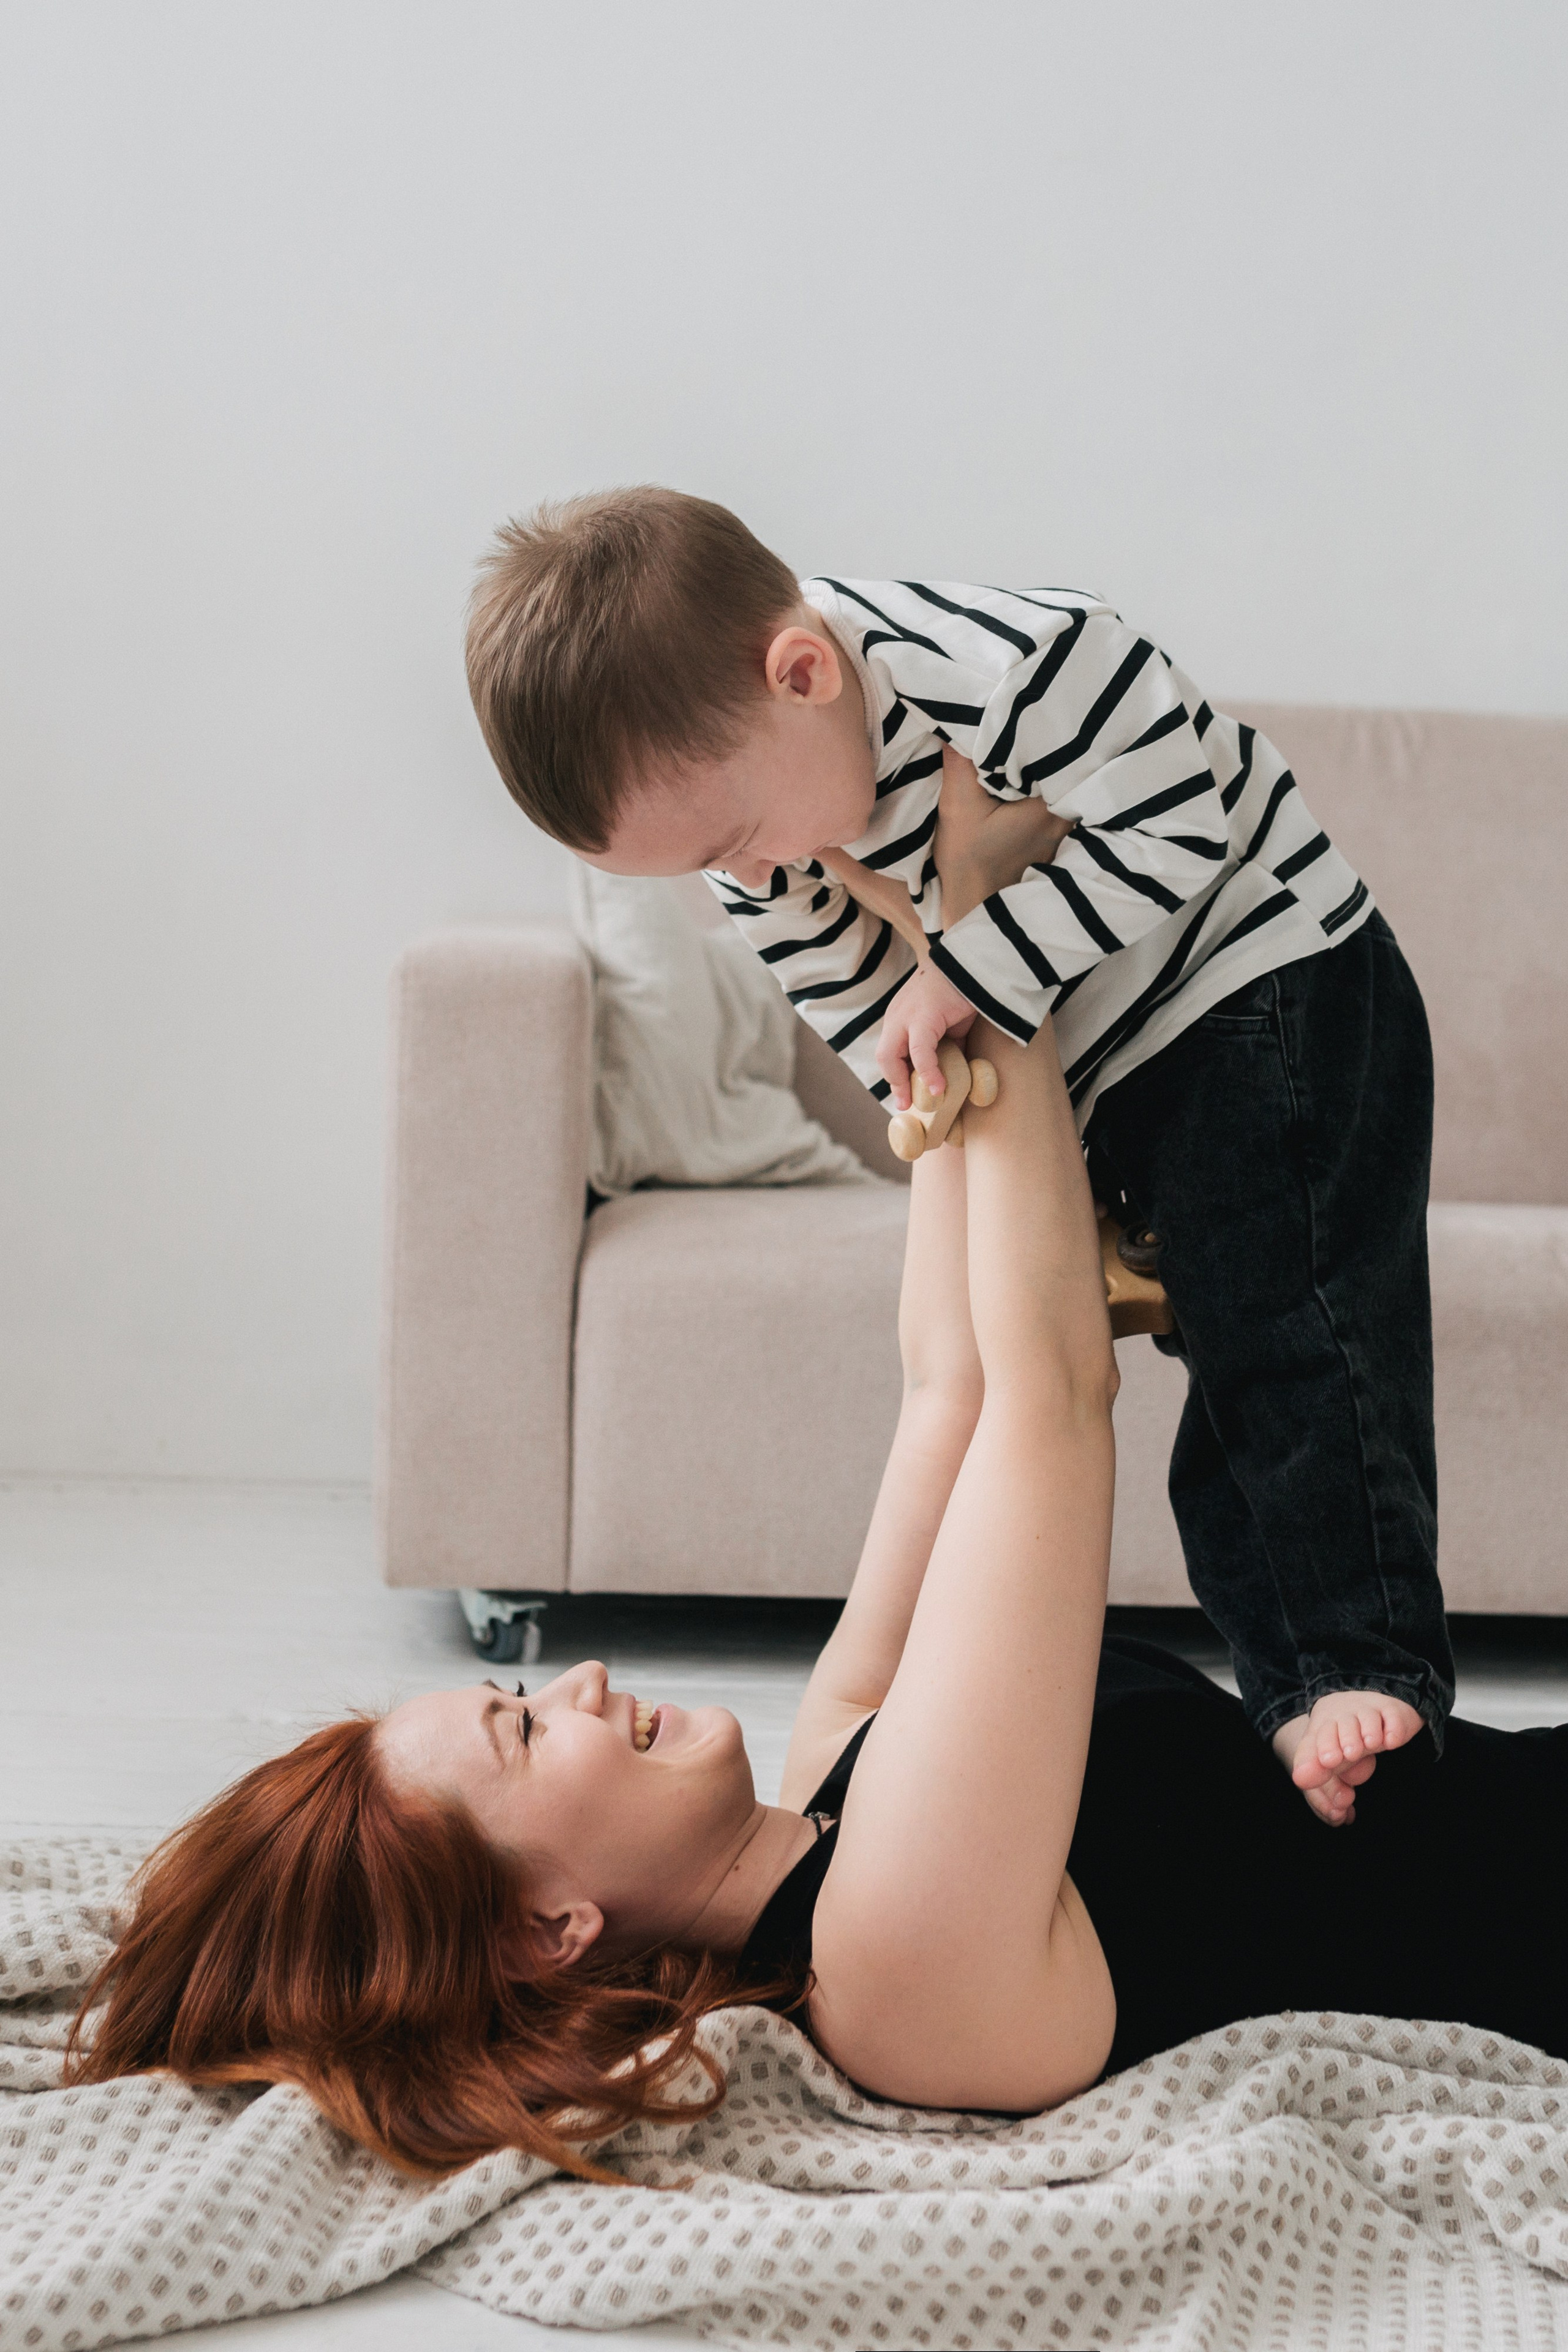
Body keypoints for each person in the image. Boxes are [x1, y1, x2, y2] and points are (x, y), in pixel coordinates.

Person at [67, 1011, 1568, 2182]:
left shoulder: (838, 1776)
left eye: (520, 1691)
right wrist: (1011, 995)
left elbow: (954, 1390)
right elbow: (1052, 1400)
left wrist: (929, 1029)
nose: (579, 1680)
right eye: (527, 1729)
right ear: (549, 1932)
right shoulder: (893, 1966)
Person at [463, 486, 1452, 1824]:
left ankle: (1354, 1663)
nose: (753, 872)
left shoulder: (1011, 664)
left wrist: (967, 964)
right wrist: (920, 1056)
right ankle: (1296, 1702)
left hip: (1266, 990)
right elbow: (855, 990)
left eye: (735, 842)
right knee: (1227, 1367)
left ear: (801, 674)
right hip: (1120, 1070)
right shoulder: (760, 823)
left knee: (1299, 1342)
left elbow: (1180, 822)